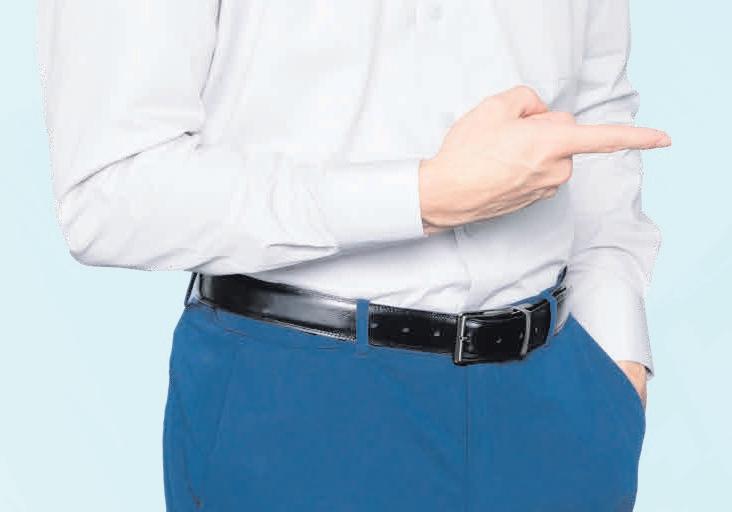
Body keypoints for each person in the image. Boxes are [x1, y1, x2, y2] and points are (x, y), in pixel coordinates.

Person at [37, 1, 670, 510]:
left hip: (558, 396)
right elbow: (109, 191)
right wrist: (419, 195)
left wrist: (617, 355)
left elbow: (596, 109)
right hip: (300, 403)